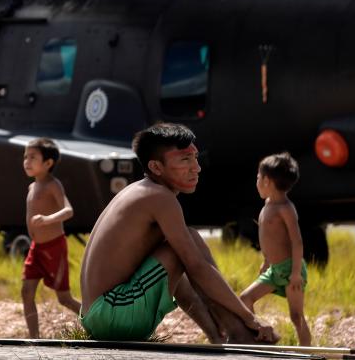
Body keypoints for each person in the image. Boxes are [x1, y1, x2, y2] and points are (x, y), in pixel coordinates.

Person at [79, 123, 278, 344]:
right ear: (156, 167)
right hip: (113, 315)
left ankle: (219, 335)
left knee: (181, 251)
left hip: (97, 317)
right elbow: (198, 267)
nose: (196, 167)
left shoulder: (141, 190)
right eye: (185, 160)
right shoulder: (160, 197)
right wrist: (249, 317)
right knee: (189, 242)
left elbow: (182, 277)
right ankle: (239, 333)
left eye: (195, 157)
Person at [239, 153, 311, 346]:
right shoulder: (267, 204)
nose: (256, 182)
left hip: (290, 269)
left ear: (267, 181)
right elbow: (270, 239)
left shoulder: (285, 208)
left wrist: (296, 273)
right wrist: (266, 261)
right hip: (274, 269)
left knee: (296, 316)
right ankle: (261, 336)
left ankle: (308, 353)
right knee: (245, 298)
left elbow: (296, 242)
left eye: (257, 178)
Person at [21, 138, 82, 338]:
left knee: (64, 298)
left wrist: (48, 219)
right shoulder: (32, 187)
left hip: (54, 247)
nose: (27, 161)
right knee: (26, 292)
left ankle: (95, 321)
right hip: (35, 248)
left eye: (32, 157)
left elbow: (69, 210)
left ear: (48, 163)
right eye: (25, 157)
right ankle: (34, 338)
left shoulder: (52, 185)